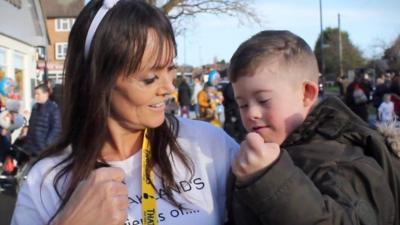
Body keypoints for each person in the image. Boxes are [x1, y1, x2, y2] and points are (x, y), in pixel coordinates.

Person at [11, 1, 238, 225]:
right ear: (98, 80)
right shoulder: (46, 180)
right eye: (150, 78)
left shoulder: (208, 144)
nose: (170, 88)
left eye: (171, 69)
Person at [226, 30, 399, 225]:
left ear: (307, 93)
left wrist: (268, 178)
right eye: (242, 104)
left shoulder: (344, 163)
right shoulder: (259, 153)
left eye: (263, 100)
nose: (251, 113)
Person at [23, 84, 61, 156]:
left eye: (38, 94)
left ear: (46, 94)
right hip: (31, 147)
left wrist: (47, 143)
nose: (36, 96)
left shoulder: (53, 108)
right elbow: (32, 125)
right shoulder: (35, 107)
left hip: (43, 147)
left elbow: (57, 128)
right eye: (35, 94)